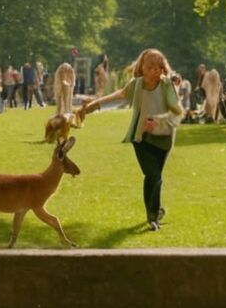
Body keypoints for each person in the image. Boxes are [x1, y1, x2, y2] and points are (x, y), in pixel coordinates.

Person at [76, 48, 185, 232]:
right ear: (142, 67)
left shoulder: (167, 85)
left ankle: (155, 212)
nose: (156, 71)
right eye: (151, 67)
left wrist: (158, 122)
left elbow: (178, 113)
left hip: (163, 139)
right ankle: (152, 217)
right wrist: (92, 106)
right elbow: (118, 96)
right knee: (152, 175)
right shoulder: (137, 85)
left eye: (159, 67)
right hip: (141, 137)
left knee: (155, 177)